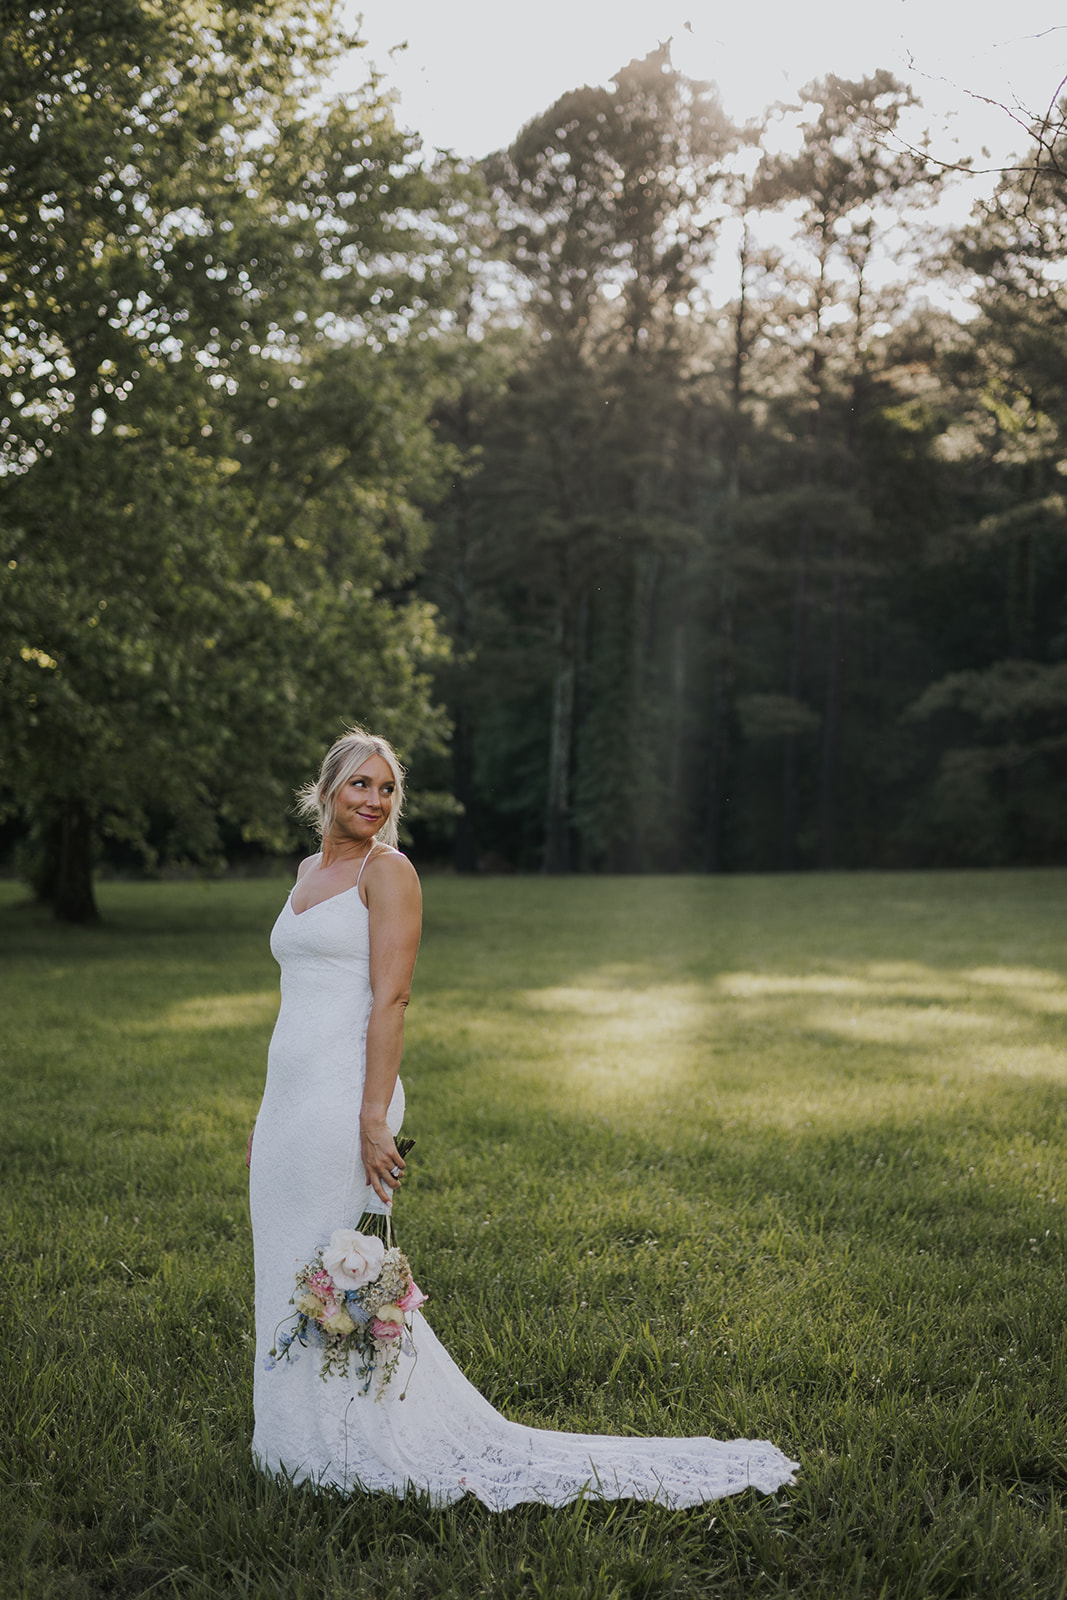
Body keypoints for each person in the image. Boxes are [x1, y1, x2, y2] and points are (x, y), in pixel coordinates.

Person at [248, 726, 798, 1509]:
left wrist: (373, 1117)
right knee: (287, 1265)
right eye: (359, 785)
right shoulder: (308, 870)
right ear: (326, 788)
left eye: (385, 789)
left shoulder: (389, 873)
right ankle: (292, 1439)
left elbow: (392, 998)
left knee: (332, 1269)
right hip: (291, 1103)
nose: (373, 800)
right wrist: (267, 1113)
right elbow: (296, 1003)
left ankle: (350, 1439)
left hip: (348, 1097)